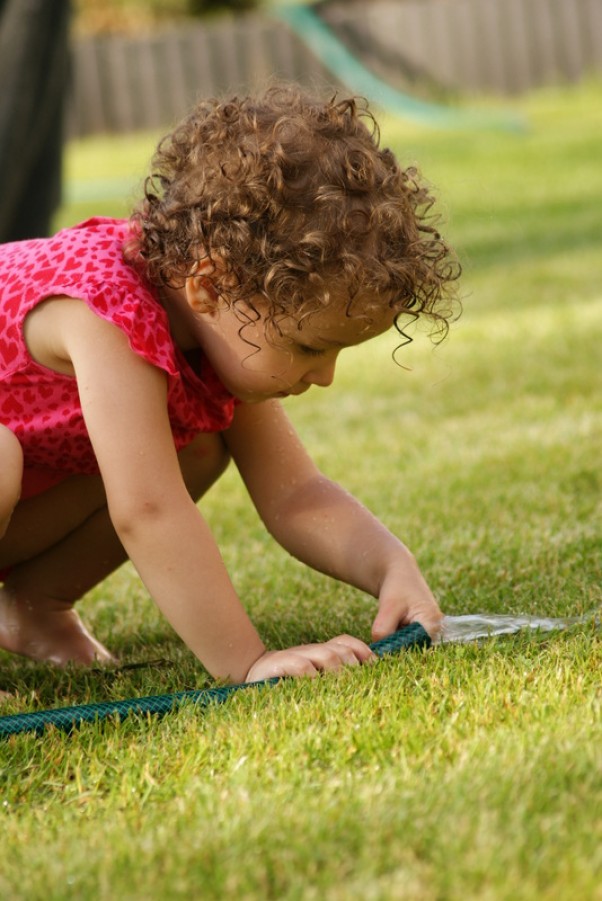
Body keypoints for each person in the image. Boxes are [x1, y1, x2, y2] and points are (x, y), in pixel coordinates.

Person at [0, 85, 459, 685]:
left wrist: (392, 566)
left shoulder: (211, 322)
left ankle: (33, 609)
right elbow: (148, 510)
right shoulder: (105, 311)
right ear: (209, 287)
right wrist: (247, 661)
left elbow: (297, 495)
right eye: (309, 347)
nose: (323, 377)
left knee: (196, 448)